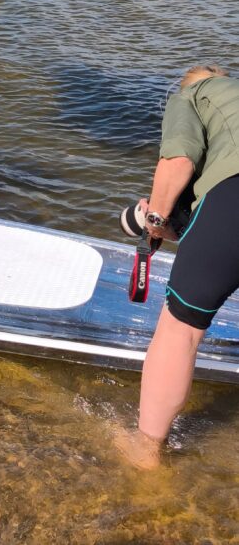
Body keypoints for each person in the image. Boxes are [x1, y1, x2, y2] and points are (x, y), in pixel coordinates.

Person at [115, 64, 239, 469]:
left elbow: (179, 161)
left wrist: (153, 221)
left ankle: (146, 451)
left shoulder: (193, 94)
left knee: (179, 331)